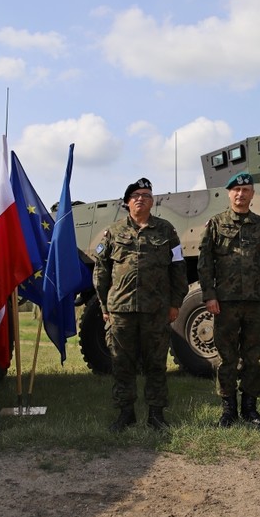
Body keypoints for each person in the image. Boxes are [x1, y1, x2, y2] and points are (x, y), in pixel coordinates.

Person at [93, 177, 189, 431]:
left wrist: (175, 303)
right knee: (122, 364)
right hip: (121, 311)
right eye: (135, 195)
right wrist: (104, 307)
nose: (141, 198)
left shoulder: (166, 230)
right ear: (127, 202)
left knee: (156, 364)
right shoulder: (113, 232)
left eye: (146, 195)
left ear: (152, 201)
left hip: (156, 310)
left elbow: (178, 268)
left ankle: (156, 415)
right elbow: (101, 270)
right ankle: (126, 414)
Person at [197, 172, 260, 428]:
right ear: (229, 193)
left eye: (245, 190)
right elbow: (204, 263)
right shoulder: (216, 224)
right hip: (225, 303)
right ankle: (228, 409)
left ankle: (250, 409)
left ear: (252, 194)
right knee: (227, 358)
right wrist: (209, 295)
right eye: (236, 190)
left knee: (253, 357)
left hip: (256, 302)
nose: (240, 194)